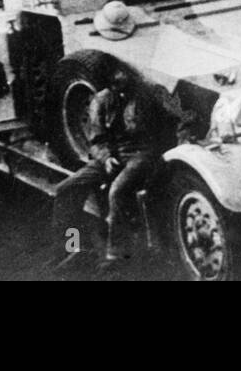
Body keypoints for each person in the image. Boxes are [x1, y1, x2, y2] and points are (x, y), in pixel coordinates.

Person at [52, 40, 188, 269]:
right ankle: (73, 247)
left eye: (123, 76)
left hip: (143, 154)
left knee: (117, 192)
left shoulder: (151, 94)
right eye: (114, 79)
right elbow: (96, 140)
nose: (119, 81)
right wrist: (106, 158)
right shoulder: (102, 100)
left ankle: (117, 255)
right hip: (112, 156)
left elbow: (184, 116)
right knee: (66, 188)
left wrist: (182, 143)